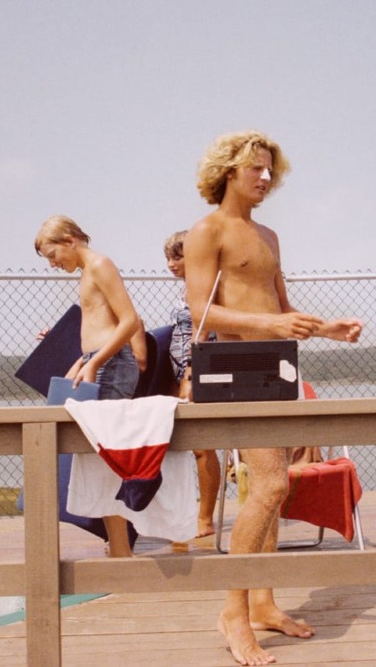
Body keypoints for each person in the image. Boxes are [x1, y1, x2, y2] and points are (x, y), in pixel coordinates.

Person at [183, 130, 363, 666]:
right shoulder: (205, 231)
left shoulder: (269, 236)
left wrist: (327, 327)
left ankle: (261, 602)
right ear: (227, 172)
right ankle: (233, 613)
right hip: (234, 371)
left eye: (268, 170)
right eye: (254, 169)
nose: (264, 178)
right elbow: (201, 313)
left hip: (278, 367)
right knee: (269, 483)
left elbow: (282, 304)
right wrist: (272, 321)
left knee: (272, 491)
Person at [35, 214, 142, 558]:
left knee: (104, 460)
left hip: (110, 366)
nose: (53, 265)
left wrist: (95, 361)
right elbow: (98, 324)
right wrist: (82, 359)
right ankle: (119, 546)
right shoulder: (86, 274)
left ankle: (122, 549)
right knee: (98, 461)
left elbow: (130, 321)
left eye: (53, 256)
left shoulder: (100, 265)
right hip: (98, 362)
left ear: (70, 240)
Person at [164, 229, 221, 538]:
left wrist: (190, 374)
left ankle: (206, 519)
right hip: (177, 371)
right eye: (168, 258)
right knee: (184, 448)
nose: (172, 264)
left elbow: (205, 332)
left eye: (178, 256)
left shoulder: (206, 287)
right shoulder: (188, 287)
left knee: (202, 448)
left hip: (195, 371)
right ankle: (189, 512)